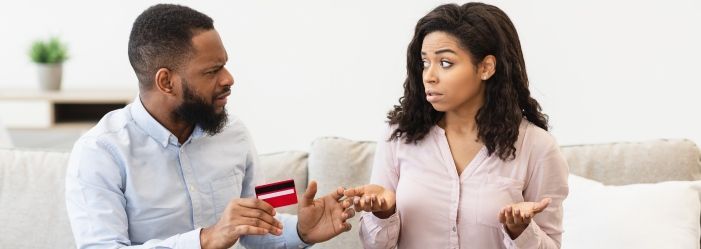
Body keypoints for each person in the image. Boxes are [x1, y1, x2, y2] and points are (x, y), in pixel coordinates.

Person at [65, 4, 353, 249]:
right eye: (212, 71)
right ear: (166, 82)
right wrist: (206, 240)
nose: (229, 79)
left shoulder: (234, 134)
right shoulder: (99, 153)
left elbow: (258, 223)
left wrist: (301, 231)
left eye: (224, 65)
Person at [343, 3, 569, 249]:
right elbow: (374, 246)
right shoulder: (398, 136)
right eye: (424, 62)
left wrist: (521, 230)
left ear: (486, 67)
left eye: (446, 63)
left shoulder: (537, 147)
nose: (429, 75)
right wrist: (383, 213)